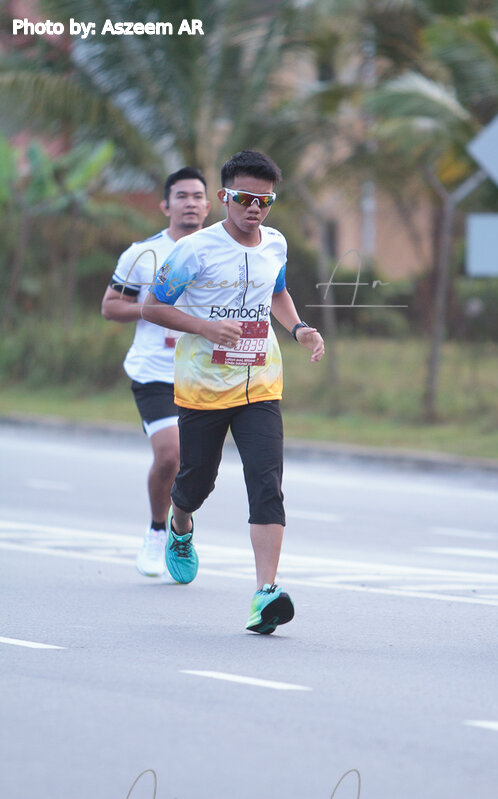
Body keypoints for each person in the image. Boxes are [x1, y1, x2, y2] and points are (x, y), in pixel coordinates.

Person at [142, 150, 325, 634]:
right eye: (245, 199)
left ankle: (265, 593)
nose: (255, 209)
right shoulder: (194, 250)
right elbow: (152, 307)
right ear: (224, 197)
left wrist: (299, 328)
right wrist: (205, 327)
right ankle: (180, 523)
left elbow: (277, 291)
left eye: (265, 201)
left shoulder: (276, 244)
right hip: (203, 386)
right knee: (196, 481)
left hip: (260, 384)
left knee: (267, 483)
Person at [101, 167, 210, 577]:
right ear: (166, 205)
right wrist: (153, 308)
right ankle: (157, 530)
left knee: (196, 467)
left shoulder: (221, 251)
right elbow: (111, 306)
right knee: (169, 456)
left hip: (206, 374)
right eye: (181, 196)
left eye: (197, 196)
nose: (190, 204)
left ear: (208, 205)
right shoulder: (143, 254)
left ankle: (181, 532)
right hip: (156, 373)